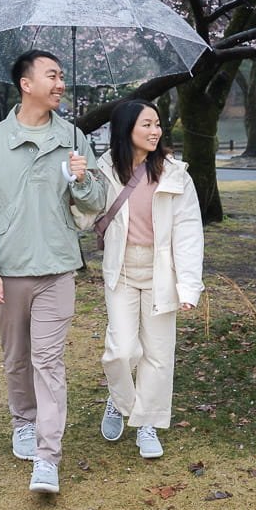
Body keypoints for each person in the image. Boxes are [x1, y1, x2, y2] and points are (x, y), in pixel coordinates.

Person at [0, 50, 105, 495]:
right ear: (27, 84)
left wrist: (83, 181)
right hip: (9, 271)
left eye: (62, 76)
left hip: (59, 266)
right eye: (52, 75)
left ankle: (48, 458)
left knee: (48, 362)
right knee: (17, 358)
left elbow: (96, 202)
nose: (61, 83)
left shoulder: (74, 138)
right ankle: (22, 421)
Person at [94, 99, 204, 460]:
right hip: (122, 270)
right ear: (127, 129)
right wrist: (78, 183)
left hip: (161, 273)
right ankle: (120, 400)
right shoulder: (104, 170)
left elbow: (189, 232)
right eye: (146, 124)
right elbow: (83, 218)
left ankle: (147, 425)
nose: (155, 131)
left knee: (158, 354)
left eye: (157, 124)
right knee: (121, 351)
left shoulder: (175, 173)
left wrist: (188, 285)